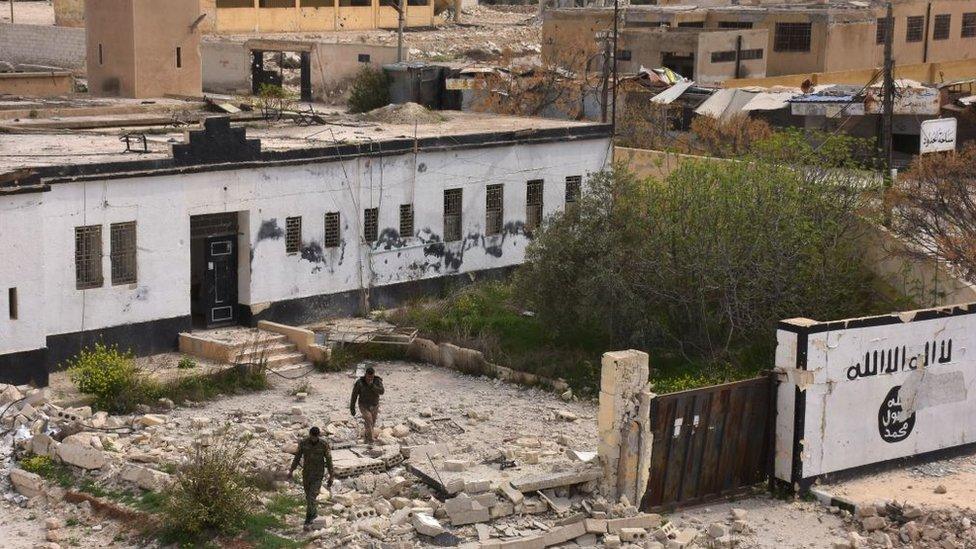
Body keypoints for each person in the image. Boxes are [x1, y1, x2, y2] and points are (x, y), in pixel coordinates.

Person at [289, 426, 334, 531]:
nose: (314, 439)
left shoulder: (324, 445)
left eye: (315, 437)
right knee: (308, 497)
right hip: (306, 474)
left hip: (318, 475)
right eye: (312, 437)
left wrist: (331, 476)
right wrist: (291, 470)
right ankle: (314, 515)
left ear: (318, 436)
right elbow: (297, 457)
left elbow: (329, 460)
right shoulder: (304, 443)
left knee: (311, 497)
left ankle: (308, 520)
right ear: (310, 435)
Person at [350, 366, 384, 444]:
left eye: (371, 377)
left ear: (374, 375)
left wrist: (372, 386)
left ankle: (366, 437)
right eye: (368, 377)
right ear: (365, 375)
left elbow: (382, 391)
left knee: (372, 423)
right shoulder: (360, 382)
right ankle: (371, 441)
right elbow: (354, 395)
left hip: (375, 405)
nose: (370, 379)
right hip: (363, 405)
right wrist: (352, 408)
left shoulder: (377, 381)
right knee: (369, 421)